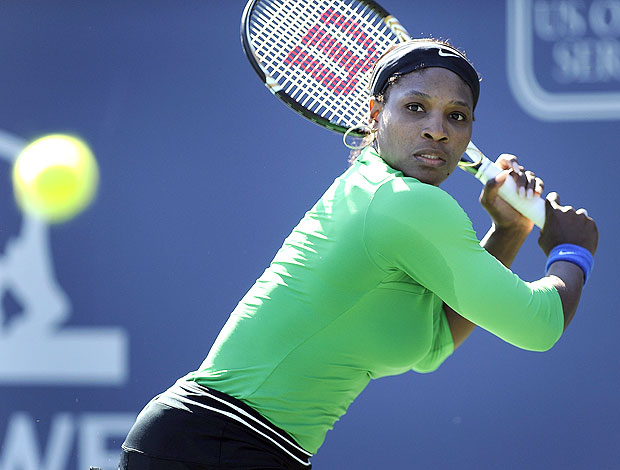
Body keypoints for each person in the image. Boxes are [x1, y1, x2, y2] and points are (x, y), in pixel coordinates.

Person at [118, 39, 598, 469]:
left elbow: (433, 342)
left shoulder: (377, 187)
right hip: (215, 447)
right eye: (416, 108)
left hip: (216, 445)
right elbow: (539, 326)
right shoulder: (406, 204)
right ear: (375, 113)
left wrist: (510, 231)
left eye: (457, 115)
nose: (437, 130)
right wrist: (573, 249)